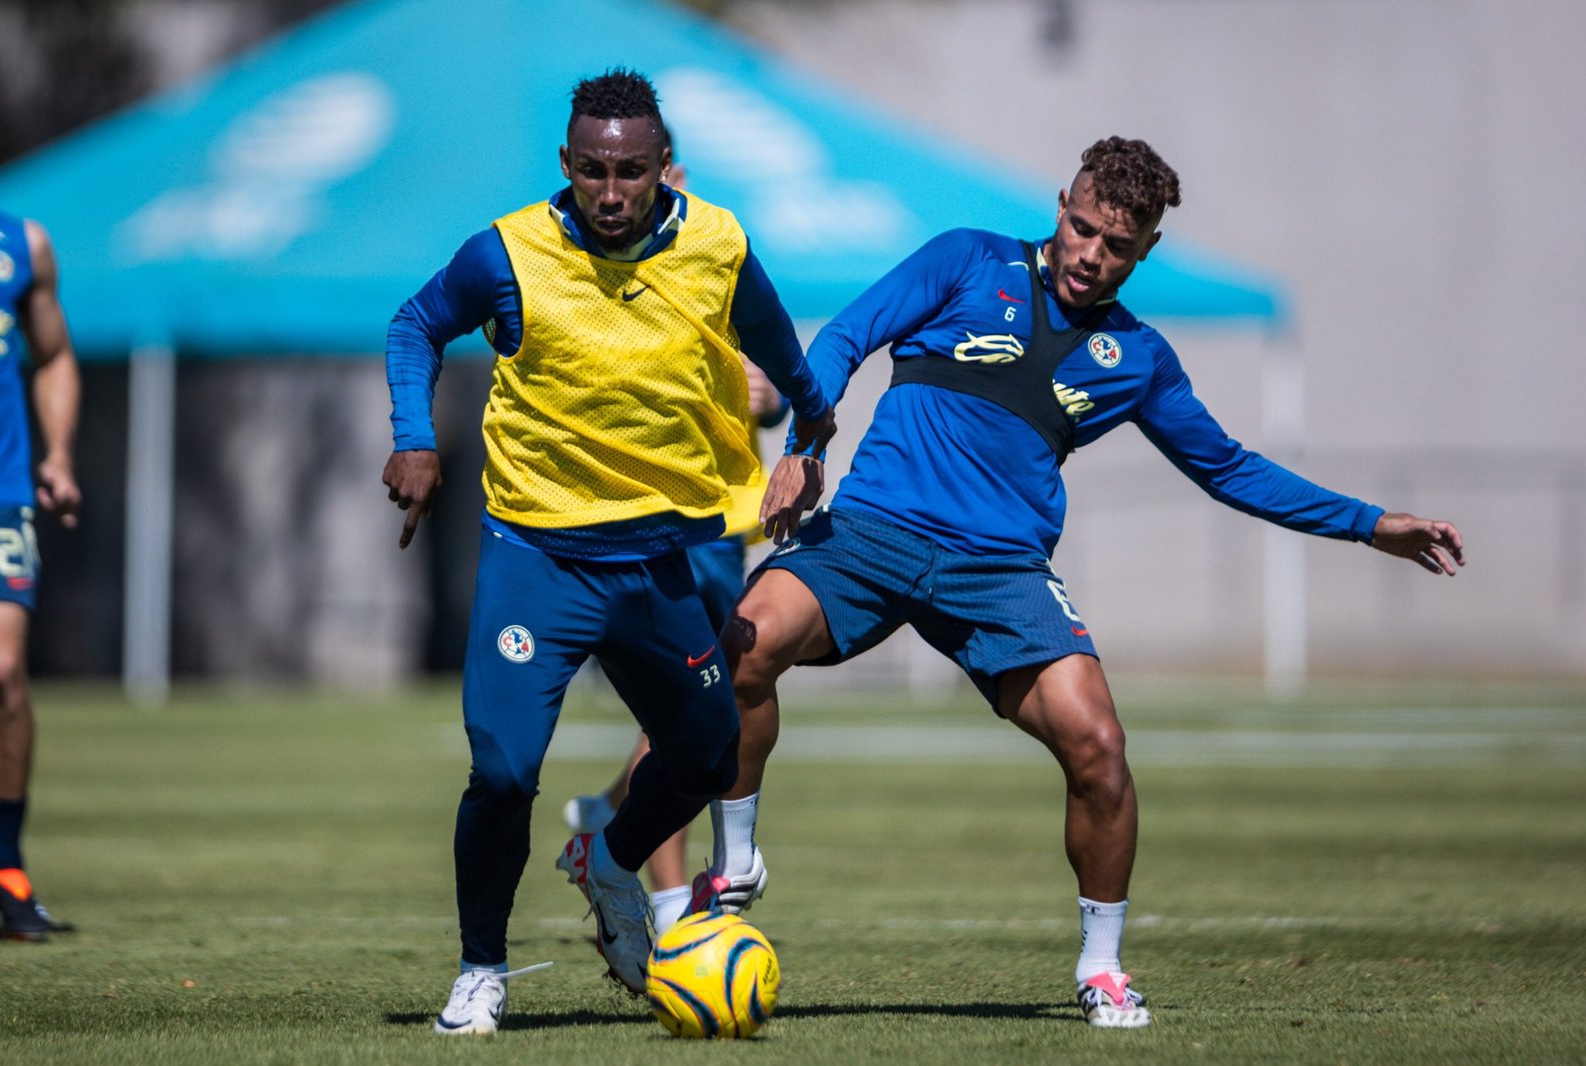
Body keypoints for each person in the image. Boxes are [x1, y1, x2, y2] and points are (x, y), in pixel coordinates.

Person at [690, 136, 1464, 1029]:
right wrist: (805, 448)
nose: (1091, 256)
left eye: (1117, 246)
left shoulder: (1139, 357)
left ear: (1146, 252)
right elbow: (848, 336)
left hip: (1001, 572)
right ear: (1061, 204)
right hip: (872, 534)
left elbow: (1232, 470)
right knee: (743, 648)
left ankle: (1101, 969)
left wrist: (1372, 525)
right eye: (1082, 227)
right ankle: (737, 858)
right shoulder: (967, 259)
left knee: (1100, 750)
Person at [381, 68, 832, 1035]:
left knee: (711, 749)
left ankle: (611, 859)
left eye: (632, 170)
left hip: (656, 560)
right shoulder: (506, 253)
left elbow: (781, 348)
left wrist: (808, 439)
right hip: (535, 558)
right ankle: (482, 972)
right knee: (502, 772)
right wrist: (415, 436)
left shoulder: (717, 243)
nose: (613, 190)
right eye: (593, 170)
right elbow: (416, 323)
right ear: (567, 165)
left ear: (665, 167)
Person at [564, 356, 786, 937]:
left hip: (725, 527)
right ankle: (667, 904)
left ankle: (616, 808)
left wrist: (771, 398)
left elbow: (779, 382)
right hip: (662, 519)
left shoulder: (736, 279)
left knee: (704, 705)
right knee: (685, 713)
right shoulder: (638, 280)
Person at [0, 95, 83, 942]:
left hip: (0, 490)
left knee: (1, 671)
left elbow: (52, 356)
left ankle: (6, 863)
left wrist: (56, 456)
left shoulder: (22, 245)